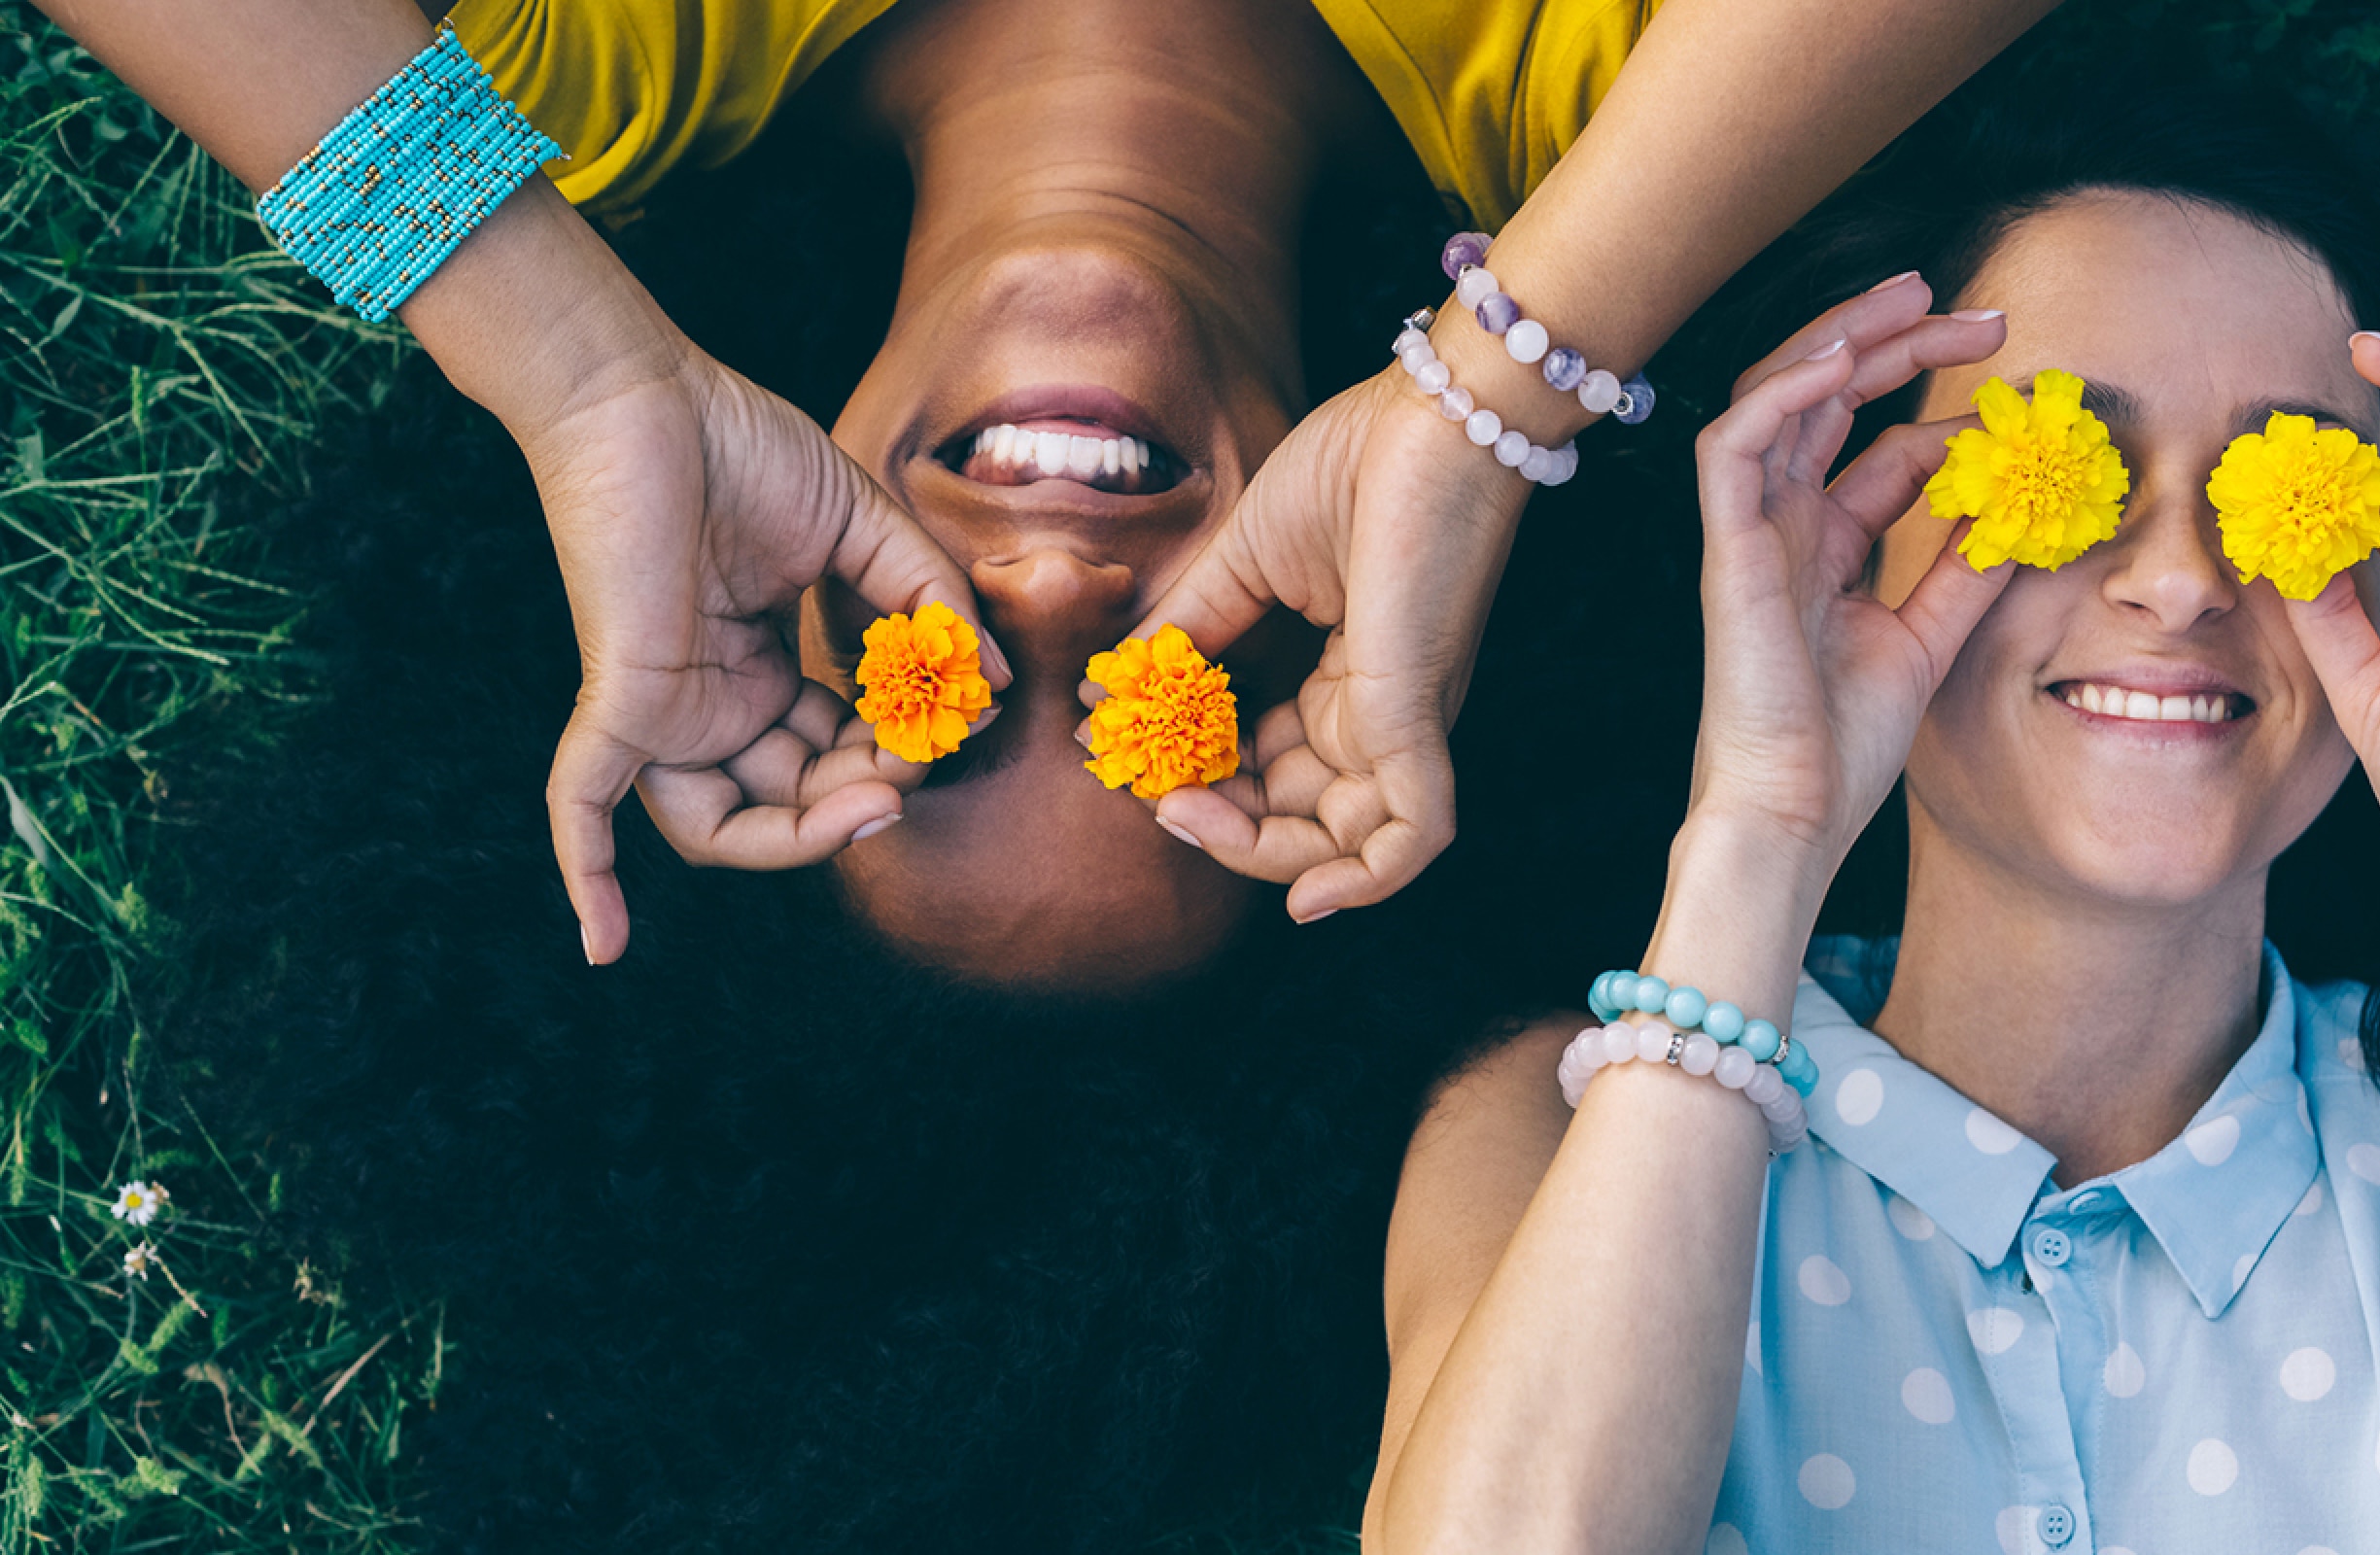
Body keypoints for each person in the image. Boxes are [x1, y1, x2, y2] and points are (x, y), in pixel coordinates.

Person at [1360, 85, 2380, 1553]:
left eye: (2285, 483)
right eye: (2063, 465)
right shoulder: (1560, 1124)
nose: (2183, 580)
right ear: (1851, 532)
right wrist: (1762, 824)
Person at [42, 0, 2058, 983]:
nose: (1066, 598)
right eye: (1164, 708)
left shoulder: (577, 70)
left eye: (940, 698)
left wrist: (566, 364)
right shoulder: (1628, 82)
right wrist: (1508, 375)